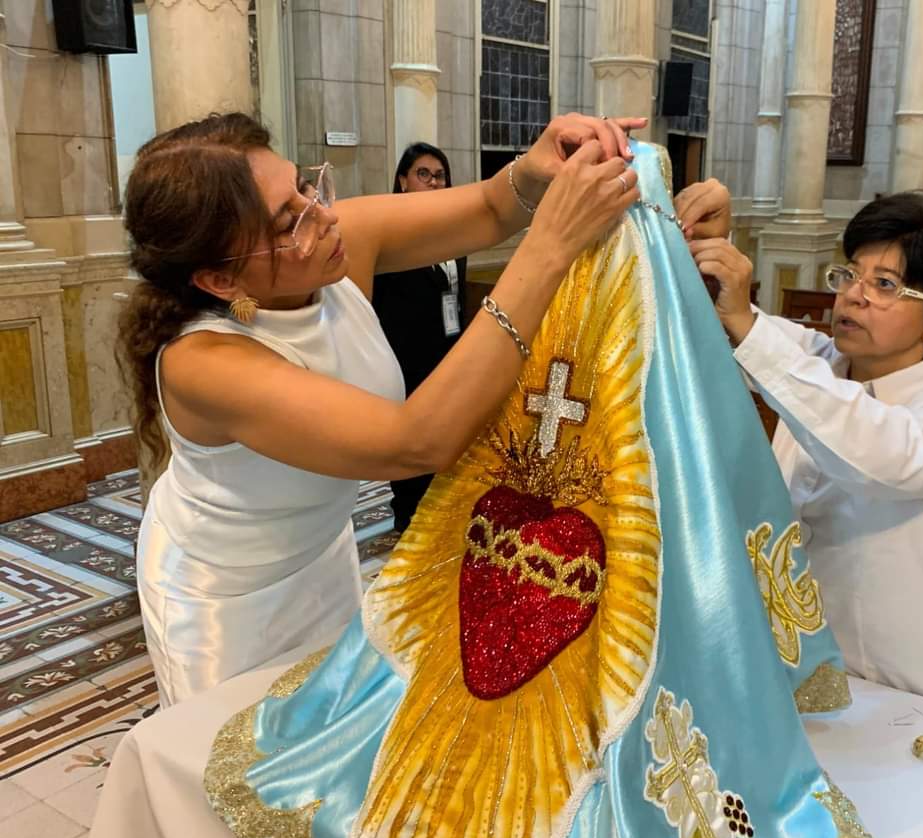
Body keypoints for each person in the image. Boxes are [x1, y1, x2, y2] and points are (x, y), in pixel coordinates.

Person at [120, 112, 733, 708]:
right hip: (226, 593)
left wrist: (538, 164)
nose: (324, 214)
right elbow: (418, 441)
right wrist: (549, 247)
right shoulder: (203, 364)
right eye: (289, 221)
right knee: (233, 765)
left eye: (307, 185)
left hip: (323, 553)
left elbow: (494, 207)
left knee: (321, 732)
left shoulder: (338, 244)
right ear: (220, 281)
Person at [691, 191, 923, 704]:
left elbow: (877, 455)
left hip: (890, 681)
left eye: (885, 285)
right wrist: (705, 247)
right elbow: (722, 324)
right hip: (778, 660)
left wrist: (747, 326)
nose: (853, 296)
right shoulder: (818, 362)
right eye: (850, 275)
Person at [371, 142, 469, 531]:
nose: (432, 182)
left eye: (439, 175)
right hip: (405, 354)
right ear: (403, 181)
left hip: (447, 351)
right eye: (423, 174)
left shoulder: (456, 236)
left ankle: (441, 517)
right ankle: (407, 520)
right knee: (412, 442)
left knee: (446, 437)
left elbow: (454, 296)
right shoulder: (390, 236)